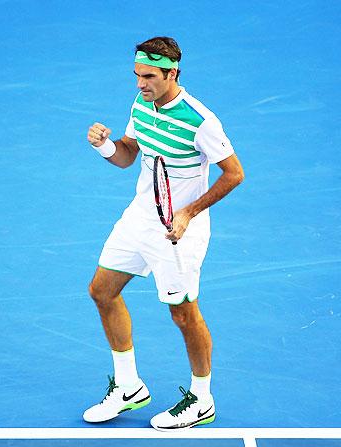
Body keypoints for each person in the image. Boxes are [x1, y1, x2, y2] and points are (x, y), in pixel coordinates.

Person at [82, 36, 244, 431]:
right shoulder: (141, 104)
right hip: (140, 219)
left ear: (172, 73)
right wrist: (105, 146)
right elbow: (127, 156)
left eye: (149, 76)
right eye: (137, 75)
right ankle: (128, 386)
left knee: (183, 315)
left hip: (178, 233)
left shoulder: (200, 120)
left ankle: (202, 399)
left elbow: (235, 173)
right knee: (102, 290)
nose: (140, 84)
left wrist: (189, 212)